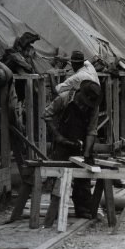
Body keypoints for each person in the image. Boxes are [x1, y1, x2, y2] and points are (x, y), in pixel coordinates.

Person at [43, 80, 101, 220]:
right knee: (59, 176)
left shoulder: (93, 106)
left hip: (81, 142)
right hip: (63, 142)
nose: (85, 106)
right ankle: (55, 210)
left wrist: (86, 153)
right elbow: (46, 115)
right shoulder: (64, 99)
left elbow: (91, 130)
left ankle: (83, 209)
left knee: (84, 178)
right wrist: (57, 136)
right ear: (81, 93)